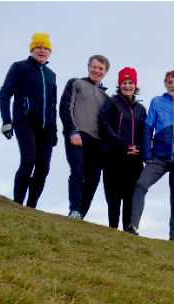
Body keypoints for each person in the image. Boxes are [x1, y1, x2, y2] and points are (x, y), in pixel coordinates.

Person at [128, 70, 174, 240]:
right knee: (140, 185)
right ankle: (133, 226)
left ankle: (173, 238)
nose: (173, 85)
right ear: (165, 84)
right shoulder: (157, 102)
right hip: (158, 158)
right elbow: (148, 129)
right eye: (170, 82)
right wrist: (147, 154)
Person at [0, 33, 57, 208]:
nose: (42, 51)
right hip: (25, 122)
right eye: (39, 47)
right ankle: (17, 204)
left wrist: (53, 131)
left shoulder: (51, 74)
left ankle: (31, 207)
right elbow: (4, 93)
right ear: (32, 49)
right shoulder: (19, 67)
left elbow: (53, 104)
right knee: (28, 159)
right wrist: (6, 121)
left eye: (46, 48)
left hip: (46, 128)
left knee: (43, 168)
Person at [59, 54, 110, 219]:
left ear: (105, 72)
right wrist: (72, 131)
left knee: (93, 178)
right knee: (77, 172)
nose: (97, 71)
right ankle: (74, 209)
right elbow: (65, 107)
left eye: (101, 68)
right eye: (94, 67)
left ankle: (81, 214)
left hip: (97, 142)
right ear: (88, 67)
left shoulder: (106, 97)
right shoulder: (76, 83)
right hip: (77, 135)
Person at [98, 67, 146, 231]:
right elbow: (105, 127)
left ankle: (127, 231)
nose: (127, 86)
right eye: (124, 83)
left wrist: (138, 148)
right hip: (114, 157)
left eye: (130, 82)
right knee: (114, 196)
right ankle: (112, 228)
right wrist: (124, 146)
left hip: (134, 160)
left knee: (130, 196)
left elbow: (145, 133)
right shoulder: (111, 103)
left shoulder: (141, 109)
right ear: (119, 85)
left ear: (135, 85)